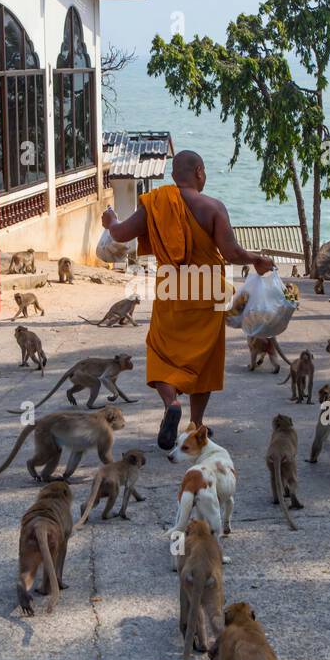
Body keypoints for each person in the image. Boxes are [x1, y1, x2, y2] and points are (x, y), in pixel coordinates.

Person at [102, 150, 273, 450]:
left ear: (173, 176)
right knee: (203, 360)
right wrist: (257, 259)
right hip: (208, 291)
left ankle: (171, 403)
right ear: (199, 171)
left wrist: (110, 219)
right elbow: (232, 253)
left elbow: (120, 234)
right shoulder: (213, 207)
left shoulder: (156, 204)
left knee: (161, 353)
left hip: (173, 291)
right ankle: (196, 424)